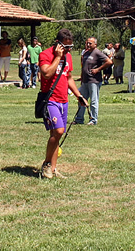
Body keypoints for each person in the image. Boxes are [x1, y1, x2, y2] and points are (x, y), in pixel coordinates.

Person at [39, 28, 88, 179]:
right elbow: (46, 74)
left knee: (56, 135)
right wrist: (57, 57)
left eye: (70, 47)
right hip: (50, 100)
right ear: (57, 43)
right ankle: (46, 164)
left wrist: (78, 95)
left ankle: (53, 169)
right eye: (65, 47)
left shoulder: (68, 57)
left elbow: (69, 78)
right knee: (59, 131)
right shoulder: (45, 55)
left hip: (63, 100)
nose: (68, 50)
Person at [75, 37, 112, 126]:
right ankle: (79, 119)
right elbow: (83, 66)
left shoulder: (97, 52)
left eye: (90, 43)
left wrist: (98, 69)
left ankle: (93, 119)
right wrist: (82, 78)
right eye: (87, 43)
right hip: (85, 81)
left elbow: (109, 62)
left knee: (93, 101)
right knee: (81, 99)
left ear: (95, 44)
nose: (88, 45)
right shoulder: (85, 53)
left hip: (94, 80)